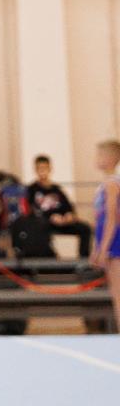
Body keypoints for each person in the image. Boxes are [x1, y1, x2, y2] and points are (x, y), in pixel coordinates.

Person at [26, 155, 91, 258]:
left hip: (62, 221)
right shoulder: (31, 189)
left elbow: (68, 207)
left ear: (50, 169)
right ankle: (49, 257)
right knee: (41, 225)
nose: (42, 171)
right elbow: (32, 210)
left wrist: (69, 215)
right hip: (44, 223)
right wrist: (50, 217)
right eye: (39, 168)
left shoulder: (57, 189)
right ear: (35, 170)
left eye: (45, 168)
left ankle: (84, 258)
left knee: (85, 228)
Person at [92, 139, 120, 330]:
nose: (96, 159)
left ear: (109, 158)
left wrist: (104, 248)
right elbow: (100, 219)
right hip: (109, 241)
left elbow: (112, 218)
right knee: (115, 293)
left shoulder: (112, 184)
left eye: (99, 155)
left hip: (115, 242)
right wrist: (97, 247)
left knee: (118, 293)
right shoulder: (105, 184)